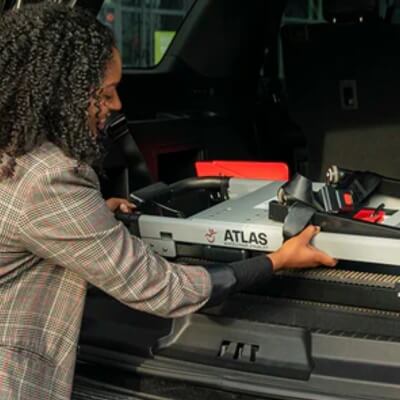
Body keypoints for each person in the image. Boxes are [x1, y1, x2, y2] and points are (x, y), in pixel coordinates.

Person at [0, 3, 337, 399]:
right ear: (62, 93)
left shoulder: (16, 150)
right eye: (106, 93)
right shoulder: (50, 178)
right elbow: (163, 288)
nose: (118, 106)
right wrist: (277, 260)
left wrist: (89, 218)